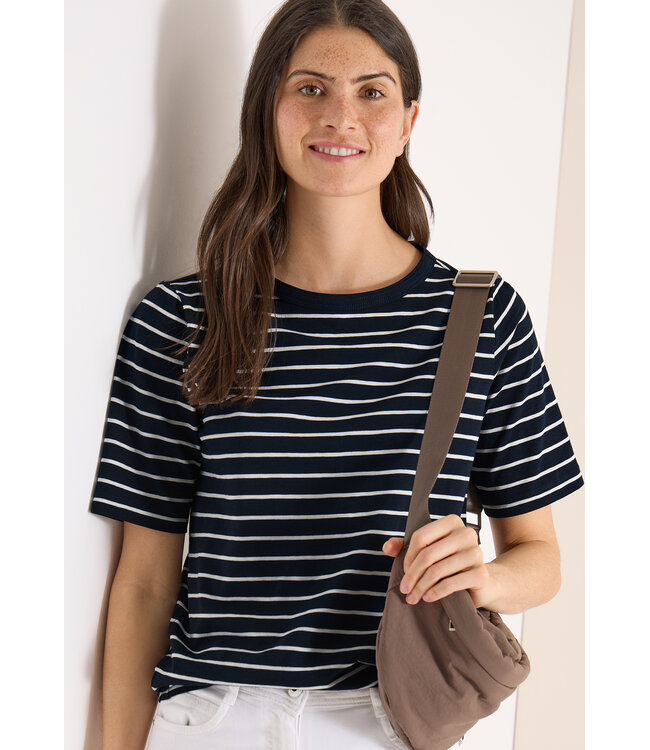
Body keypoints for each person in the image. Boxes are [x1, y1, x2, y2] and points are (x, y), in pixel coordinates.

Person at [90, 1, 584, 748]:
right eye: (311, 87)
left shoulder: (483, 318)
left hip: (385, 719)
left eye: (371, 92)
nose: (340, 117)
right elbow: (143, 583)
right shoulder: (180, 319)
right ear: (268, 108)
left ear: (408, 122)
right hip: (212, 718)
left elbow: (541, 559)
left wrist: (482, 576)